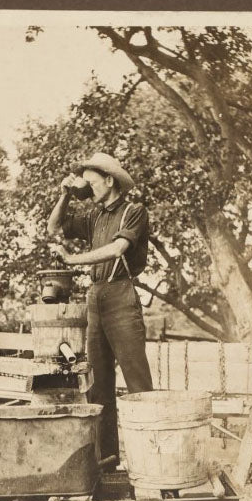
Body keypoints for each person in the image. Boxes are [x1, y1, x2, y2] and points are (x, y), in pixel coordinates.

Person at [47, 152, 153, 462]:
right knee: (99, 384)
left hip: (121, 294)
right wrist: (65, 195)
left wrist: (73, 260)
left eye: (93, 182)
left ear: (110, 180)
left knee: (138, 383)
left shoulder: (134, 211)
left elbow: (118, 249)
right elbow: (54, 227)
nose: (89, 188)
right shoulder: (94, 217)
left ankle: (148, 459)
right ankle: (108, 459)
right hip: (96, 298)